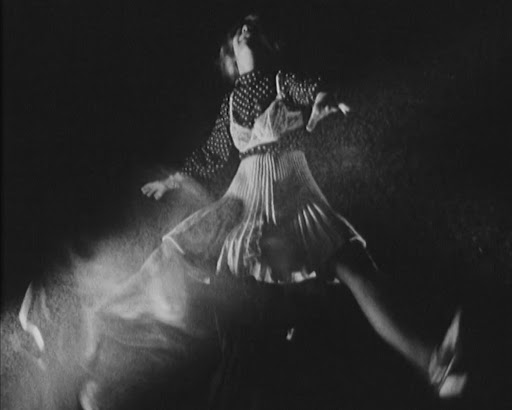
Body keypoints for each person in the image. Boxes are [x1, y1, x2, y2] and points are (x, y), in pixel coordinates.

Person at [83, 12, 466, 409]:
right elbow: (213, 151)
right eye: (239, 31)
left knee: (351, 266)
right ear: (230, 55)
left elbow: (312, 88)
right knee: (185, 253)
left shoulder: (281, 81)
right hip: (246, 193)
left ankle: (432, 361)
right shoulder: (230, 104)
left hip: (289, 187)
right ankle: (112, 322)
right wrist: (174, 179)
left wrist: (323, 101)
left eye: (254, 29)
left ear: (267, 46)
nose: (246, 31)